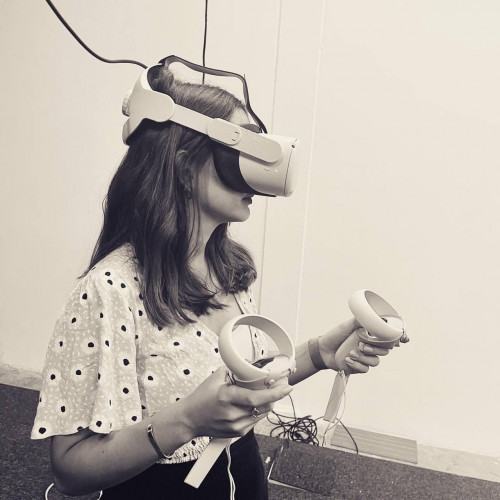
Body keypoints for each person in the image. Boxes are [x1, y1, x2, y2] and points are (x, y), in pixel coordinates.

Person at [31, 64, 391, 499]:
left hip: (243, 476)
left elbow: (239, 387)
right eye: (241, 153)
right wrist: (186, 420)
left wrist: (318, 354)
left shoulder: (228, 268)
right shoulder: (110, 290)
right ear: (185, 167)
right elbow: (69, 470)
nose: (256, 175)